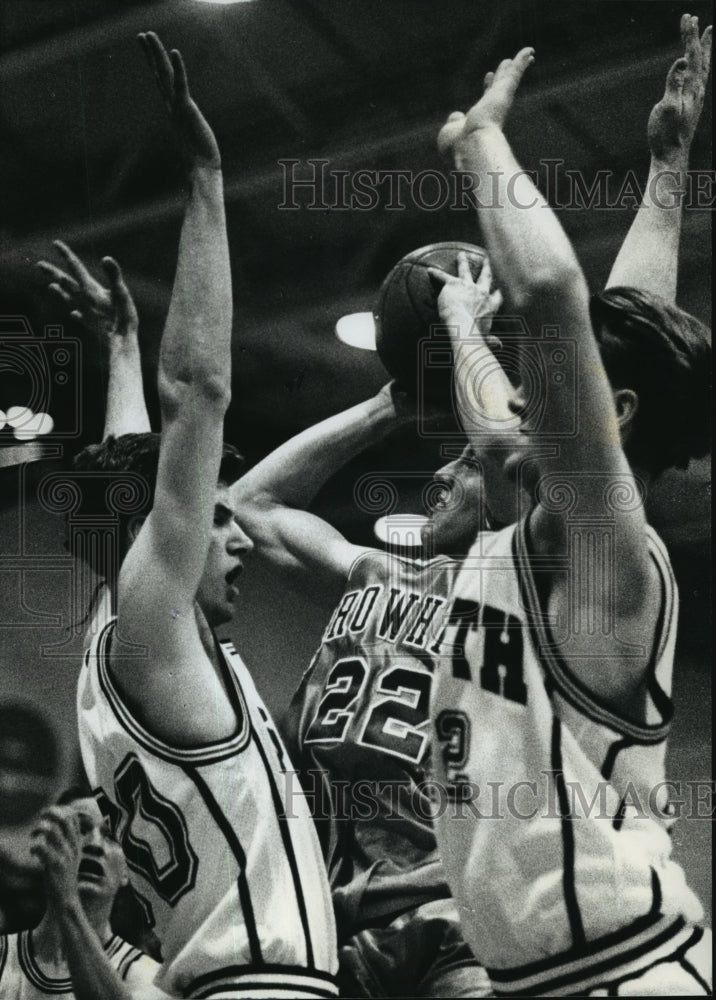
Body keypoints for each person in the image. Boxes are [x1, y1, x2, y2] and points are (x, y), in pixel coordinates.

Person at [429, 15, 712, 998]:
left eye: (557, 384)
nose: (525, 388)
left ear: (609, 414)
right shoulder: (545, 509)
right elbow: (619, 327)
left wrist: (476, 141)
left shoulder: (609, 556)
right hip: (555, 974)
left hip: (621, 969)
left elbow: (552, 291)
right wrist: (667, 165)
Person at [65, 32, 337, 1000]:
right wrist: (206, 178)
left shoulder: (116, 650)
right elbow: (201, 393)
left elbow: (130, 481)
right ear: (163, 540)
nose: (237, 537)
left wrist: (120, 349)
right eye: (213, 519)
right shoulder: (152, 625)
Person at [0, 789, 164, 1000]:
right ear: (48, 846)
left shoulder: (148, 977)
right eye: (80, 829)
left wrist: (67, 901)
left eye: (112, 836)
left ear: (127, 871)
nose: (95, 844)